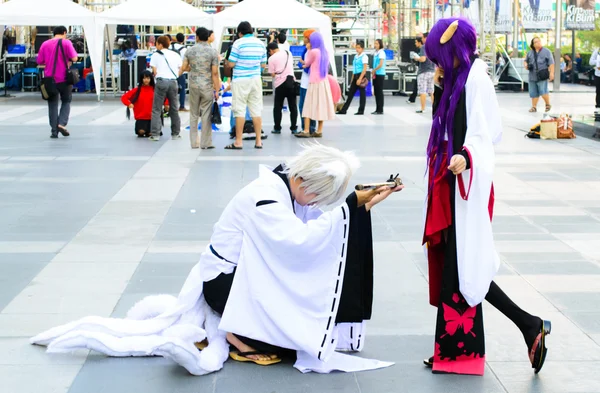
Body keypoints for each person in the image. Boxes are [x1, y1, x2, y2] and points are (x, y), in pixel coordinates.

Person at [30, 144, 403, 376]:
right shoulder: (267, 198)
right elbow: (299, 240)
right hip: (224, 285)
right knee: (292, 344)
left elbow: (318, 221)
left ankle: (242, 328)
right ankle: (235, 330)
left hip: (239, 277)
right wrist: (350, 207)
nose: (317, 205)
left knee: (294, 337)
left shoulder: (282, 187)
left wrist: (360, 201)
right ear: (303, 182)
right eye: (317, 196)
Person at [422, 17, 551, 376]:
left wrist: (467, 154)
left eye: (438, 56)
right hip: (451, 177)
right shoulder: (458, 77)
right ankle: (467, 347)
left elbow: (487, 132)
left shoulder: (476, 78)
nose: (436, 64)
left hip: (465, 178)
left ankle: (473, 346)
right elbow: (443, 124)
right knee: (457, 262)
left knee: (465, 263)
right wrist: (439, 87)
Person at [225, 21, 267, 150]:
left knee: (240, 110)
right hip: (255, 79)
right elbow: (263, 65)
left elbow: (231, 64)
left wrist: (227, 62)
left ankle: (238, 141)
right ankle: (258, 141)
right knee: (256, 110)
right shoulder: (261, 44)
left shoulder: (238, 43)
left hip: (240, 80)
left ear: (240, 33)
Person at [36, 26, 78, 139]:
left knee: (52, 104)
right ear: (64, 32)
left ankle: (54, 131)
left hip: (49, 79)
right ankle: (61, 123)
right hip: (64, 78)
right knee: (66, 100)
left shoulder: (45, 44)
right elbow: (74, 58)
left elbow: (39, 61)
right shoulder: (66, 43)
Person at [181, 27, 220, 149]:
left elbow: (184, 68)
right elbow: (215, 73)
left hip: (193, 85)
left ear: (197, 37)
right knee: (206, 114)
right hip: (207, 86)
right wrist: (217, 89)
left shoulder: (190, 51)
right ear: (208, 37)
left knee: (193, 114)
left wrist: (193, 68)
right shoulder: (213, 52)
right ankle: (205, 143)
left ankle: (194, 143)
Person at [296, 32, 336, 138]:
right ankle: (319, 130)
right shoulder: (325, 52)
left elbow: (306, 64)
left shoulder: (313, 52)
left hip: (314, 82)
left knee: (308, 106)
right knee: (320, 106)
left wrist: (302, 60)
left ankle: (306, 130)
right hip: (323, 82)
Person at [149, 35, 182, 141]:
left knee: (157, 109)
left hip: (161, 81)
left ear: (160, 44)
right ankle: (175, 133)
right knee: (174, 109)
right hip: (173, 82)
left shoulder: (155, 55)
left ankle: (155, 134)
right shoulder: (175, 54)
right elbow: (180, 68)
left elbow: (154, 71)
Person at [121, 70, 169, 138]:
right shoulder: (137, 90)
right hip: (141, 118)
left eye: (148, 78)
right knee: (141, 132)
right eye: (144, 78)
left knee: (150, 134)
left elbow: (165, 97)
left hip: (153, 118)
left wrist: (166, 104)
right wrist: (128, 104)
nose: (146, 80)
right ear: (141, 79)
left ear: (151, 79)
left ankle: (154, 130)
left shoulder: (156, 90)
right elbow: (124, 97)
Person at [268, 42, 298, 135]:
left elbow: (272, 74)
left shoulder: (271, 58)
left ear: (271, 50)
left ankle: (277, 128)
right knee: (293, 106)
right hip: (290, 82)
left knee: (278, 107)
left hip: (279, 84)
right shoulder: (288, 53)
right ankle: (293, 128)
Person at [337, 41, 368, 115]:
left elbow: (364, 69)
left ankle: (361, 110)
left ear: (362, 49)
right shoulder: (356, 56)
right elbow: (354, 68)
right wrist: (352, 78)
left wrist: (360, 79)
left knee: (362, 94)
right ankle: (344, 110)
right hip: (355, 75)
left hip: (361, 76)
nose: (357, 49)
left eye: (359, 48)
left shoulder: (364, 57)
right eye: (356, 48)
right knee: (350, 93)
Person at [524, 37, 554, 113]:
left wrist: (551, 73)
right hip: (532, 75)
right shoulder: (530, 53)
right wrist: (526, 65)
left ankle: (547, 104)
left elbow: (551, 63)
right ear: (533, 44)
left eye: (539, 41)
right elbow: (525, 61)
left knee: (543, 92)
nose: (538, 43)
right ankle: (534, 107)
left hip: (542, 75)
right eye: (536, 42)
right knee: (533, 93)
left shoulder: (547, 51)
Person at [298, 29, 317, 134]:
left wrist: (304, 64)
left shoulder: (311, 52)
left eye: (305, 37)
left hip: (308, 82)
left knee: (304, 106)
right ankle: (309, 127)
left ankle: (308, 128)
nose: (303, 39)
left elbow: (309, 68)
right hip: (305, 82)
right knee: (305, 106)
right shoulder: (306, 50)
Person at [412, 37, 435, 113]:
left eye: (422, 38)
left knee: (422, 91)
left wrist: (416, 58)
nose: (422, 40)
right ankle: (435, 107)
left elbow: (423, 59)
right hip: (432, 71)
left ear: (426, 38)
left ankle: (423, 108)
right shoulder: (433, 46)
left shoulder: (424, 47)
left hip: (423, 72)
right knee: (431, 91)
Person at [171, 33, 189, 112]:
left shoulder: (170, 47)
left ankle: (170, 105)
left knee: (171, 89)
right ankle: (182, 106)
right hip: (181, 71)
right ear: (183, 39)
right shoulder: (185, 49)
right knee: (182, 89)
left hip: (171, 71)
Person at [371, 39, 386, 115]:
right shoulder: (376, 53)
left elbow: (380, 64)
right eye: (375, 43)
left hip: (380, 74)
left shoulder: (381, 53)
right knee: (376, 92)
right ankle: (377, 108)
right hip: (375, 74)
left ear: (380, 44)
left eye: (377, 43)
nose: (375, 45)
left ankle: (380, 109)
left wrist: (374, 70)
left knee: (379, 92)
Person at [590, 48, 600, 114]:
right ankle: (598, 105)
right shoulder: (597, 51)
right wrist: (598, 61)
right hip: (598, 74)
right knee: (598, 91)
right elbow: (591, 62)